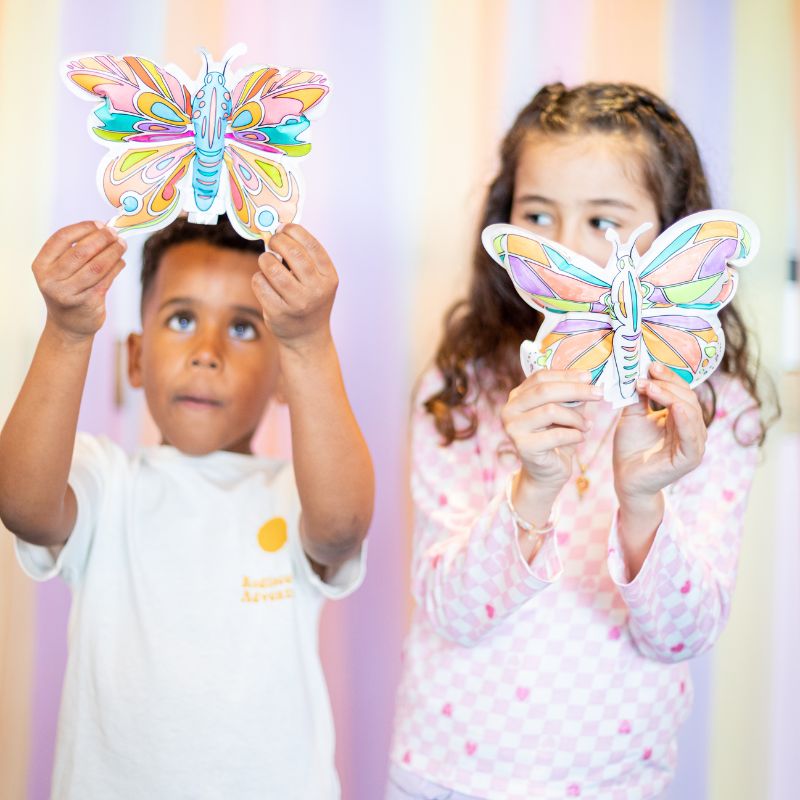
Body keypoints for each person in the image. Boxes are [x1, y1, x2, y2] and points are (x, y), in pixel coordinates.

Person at [387, 82, 772, 800]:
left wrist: (644, 505)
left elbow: (681, 636)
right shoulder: (462, 389)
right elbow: (452, 612)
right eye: (538, 215)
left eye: (604, 221)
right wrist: (532, 488)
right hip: (446, 772)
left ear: (672, 232)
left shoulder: (718, 411)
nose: (567, 246)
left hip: (613, 781)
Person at [0, 215, 374, 799]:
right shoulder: (106, 481)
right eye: (181, 320)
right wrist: (67, 333)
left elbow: (341, 530)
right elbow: (23, 505)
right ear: (134, 358)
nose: (206, 353)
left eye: (244, 329)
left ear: (283, 376)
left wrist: (308, 344)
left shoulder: (297, 495)